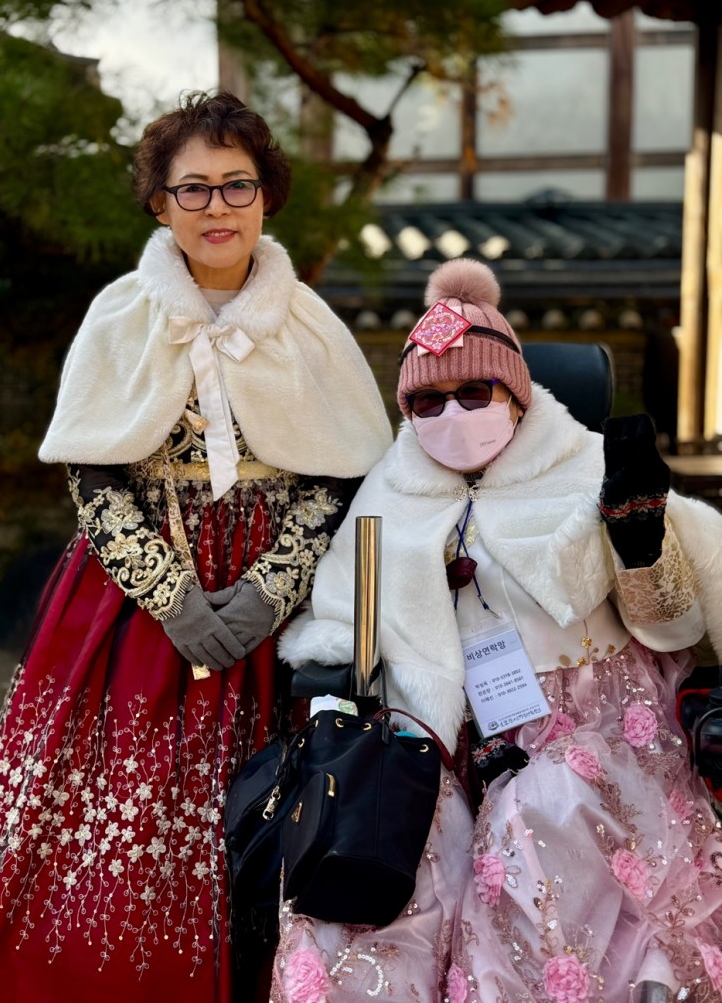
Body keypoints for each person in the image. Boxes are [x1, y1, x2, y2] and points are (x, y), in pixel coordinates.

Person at [0, 90, 393, 1003]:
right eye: (192, 188)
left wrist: (270, 588)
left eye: (237, 185)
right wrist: (171, 595)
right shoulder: (122, 313)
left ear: (266, 195)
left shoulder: (310, 323)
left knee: (263, 825)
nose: (216, 207)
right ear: (159, 202)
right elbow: (90, 471)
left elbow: (346, 477)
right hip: (133, 604)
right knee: (72, 830)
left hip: (275, 609)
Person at [275, 257, 722, 1003]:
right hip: (441, 739)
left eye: (473, 392)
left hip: (591, 722)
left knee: (538, 814)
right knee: (382, 854)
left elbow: (672, 624)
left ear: (514, 394)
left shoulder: (589, 467)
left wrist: (640, 544)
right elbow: (345, 621)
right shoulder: (388, 490)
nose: (451, 414)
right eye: (427, 401)